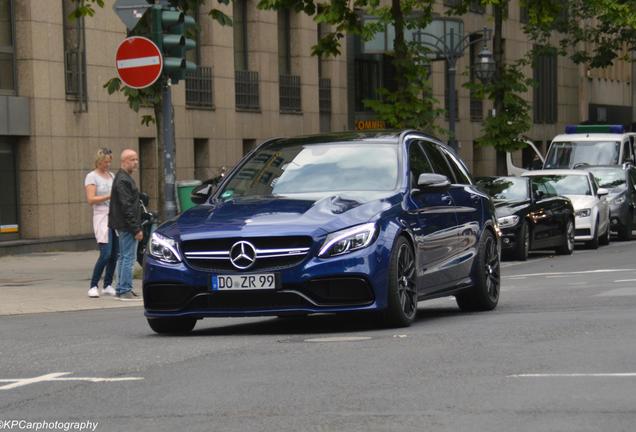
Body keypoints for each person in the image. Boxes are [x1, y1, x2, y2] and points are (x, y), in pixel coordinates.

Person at [109, 149, 143, 301]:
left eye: (136, 159)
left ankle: (121, 288)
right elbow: (126, 206)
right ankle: (125, 290)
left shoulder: (122, 177)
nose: (136, 162)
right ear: (124, 161)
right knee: (128, 257)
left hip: (123, 224)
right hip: (127, 225)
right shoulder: (123, 180)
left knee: (123, 257)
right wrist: (136, 228)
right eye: (132, 159)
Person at [84, 148, 118, 298]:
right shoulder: (91, 177)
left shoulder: (112, 176)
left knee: (115, 254)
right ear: (99, 161)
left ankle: (108, 284)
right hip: (101, 217)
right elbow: (91, 200)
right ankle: (93, 285)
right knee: (105, 253)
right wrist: (109, 196)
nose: (108, 165)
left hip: (114, 217)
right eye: (105, 162)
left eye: (109, 162)